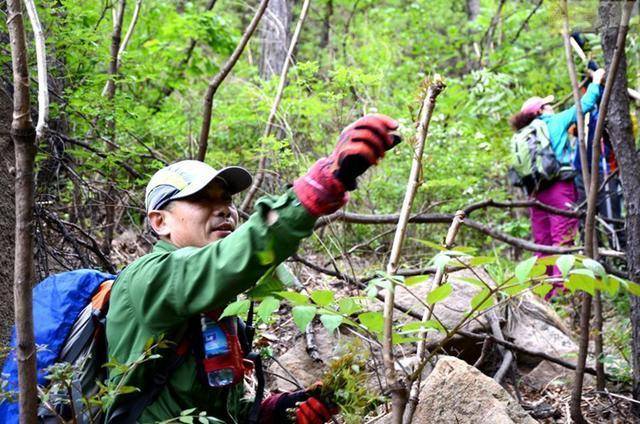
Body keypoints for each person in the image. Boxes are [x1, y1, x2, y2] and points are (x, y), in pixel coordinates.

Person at [104, 115, 400, 423]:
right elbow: (229, 261)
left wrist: (277, 413)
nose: (222, 209)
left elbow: (218, 410)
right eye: (201, 199)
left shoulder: (218, 305)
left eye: (226, 199)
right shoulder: (149, 278)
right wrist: (312, 192)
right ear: (159, 221)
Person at [509, 69, 604, 285]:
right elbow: (585, 105)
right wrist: (596, 81)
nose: (552, 107)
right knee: (563, 239)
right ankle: (563, 294)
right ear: (541, 110)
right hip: (559, 188)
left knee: (543, 243)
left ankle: (545, 294)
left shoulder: (523, 134)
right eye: (547, 104)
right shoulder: (554, 121)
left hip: (535, 193)